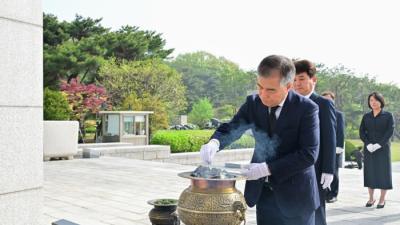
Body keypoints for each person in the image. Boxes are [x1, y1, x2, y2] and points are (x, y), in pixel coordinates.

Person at [200, 55, 320, 224]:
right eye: (260, 87)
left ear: (288, 86)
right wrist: (215, 143)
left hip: (296, 196)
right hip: (263, 193)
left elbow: (308, 154)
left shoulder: (306, 108)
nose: (263, 95)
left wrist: (267, 169)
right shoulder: (253, 103)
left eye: (271, 90)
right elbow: (233, 127)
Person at [293, 60, 336, 225]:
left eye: (302, 78)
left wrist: (328, 169)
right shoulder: (289, 103)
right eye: (294, 79)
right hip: (292, 166)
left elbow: (329, 138)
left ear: (314, 79)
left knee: (315, 209)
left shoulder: (323, 104)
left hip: (315, 168)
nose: (298, 83)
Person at [359, 92, 394, 209]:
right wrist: (368, 144)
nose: (373, 102)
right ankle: (371, 198)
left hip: (383, 149)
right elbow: (362, 132)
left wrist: (379, 144)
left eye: (376, 100)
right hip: (369, 149)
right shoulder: (366, 116)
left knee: (383, 174)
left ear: (381, 101)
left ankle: (382, 199)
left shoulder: (388, 115)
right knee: (370, 173)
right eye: (371, 100)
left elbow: (390, 132)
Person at [321, 92, 345, 204]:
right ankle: (325, 192)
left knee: (333, 172)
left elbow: (340, 131)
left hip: (334, 148)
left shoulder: (338, 114)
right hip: (321, 147)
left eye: (329, 100)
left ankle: (334, 193)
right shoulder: (316, 112)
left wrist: (339, 146)